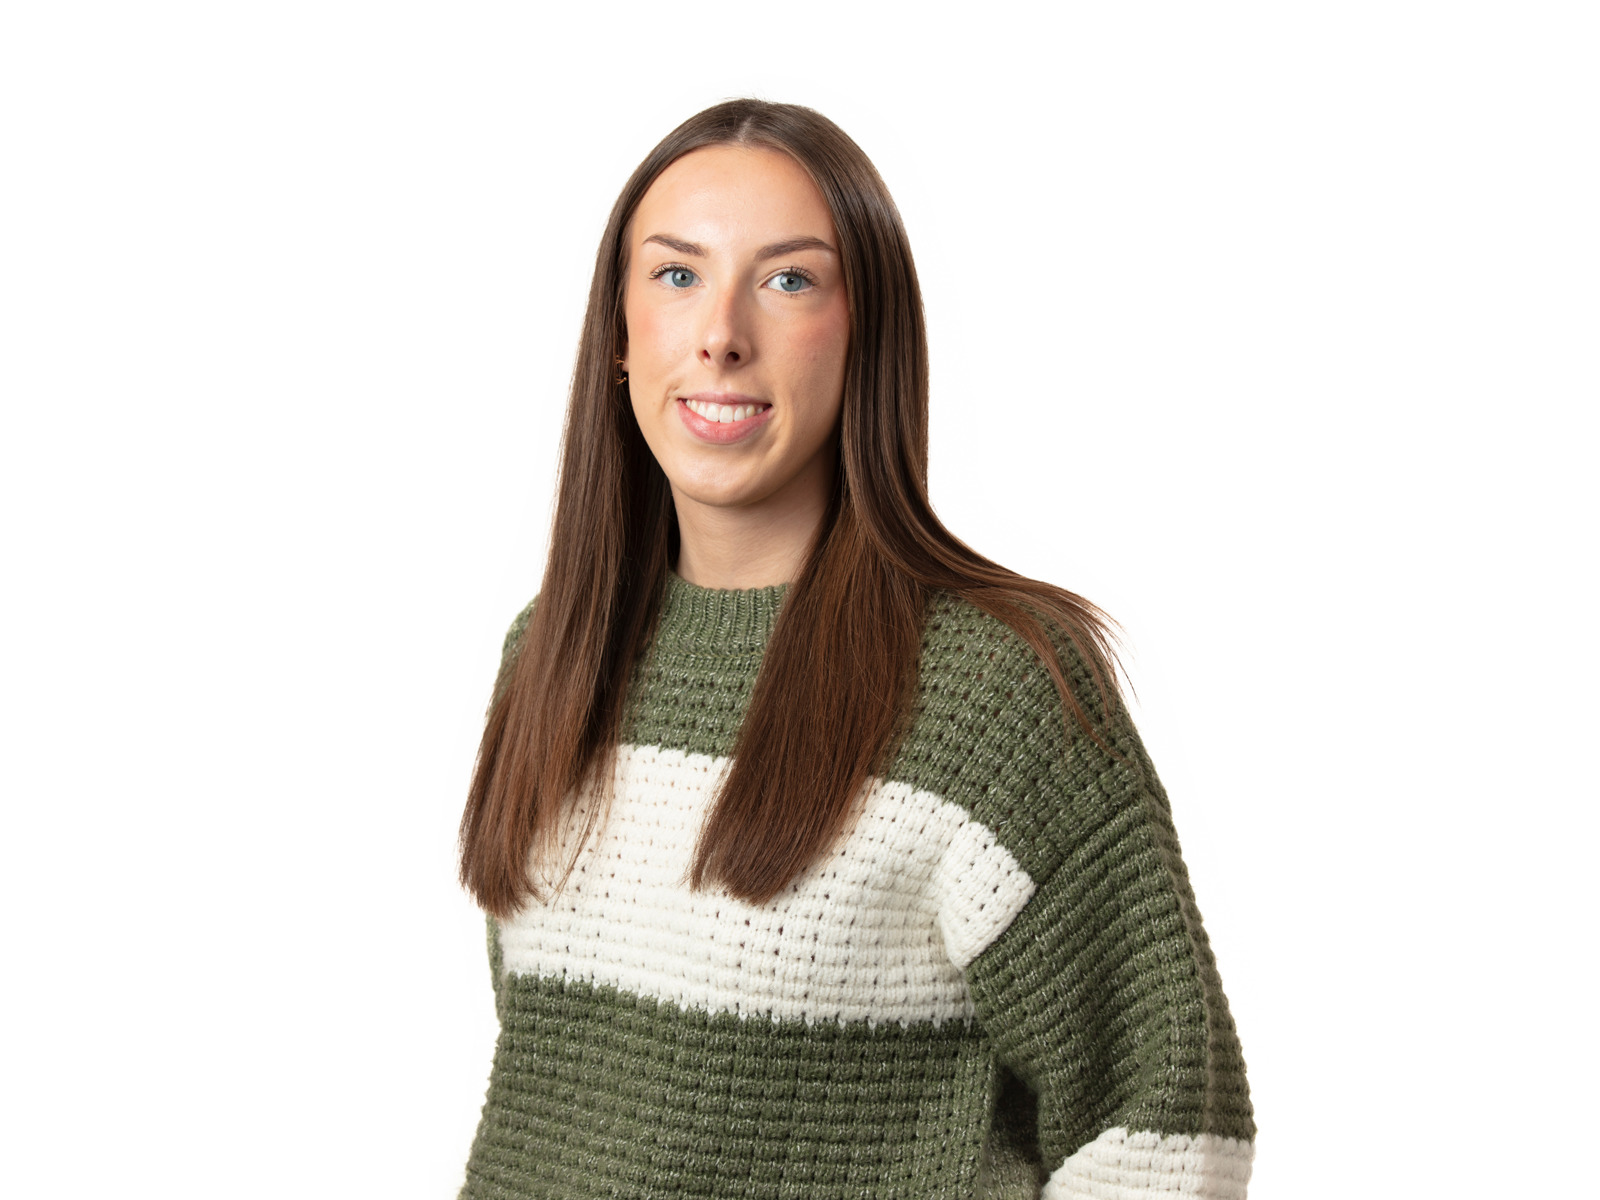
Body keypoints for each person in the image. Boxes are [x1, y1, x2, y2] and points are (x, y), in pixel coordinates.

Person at [455, 98, 1255, 1200]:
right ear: (620, 335)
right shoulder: (551, 654)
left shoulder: (992, 690)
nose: (721, 333)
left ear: (865, 332)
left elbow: (1166, 1136)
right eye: (676, 274)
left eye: (789, 280)